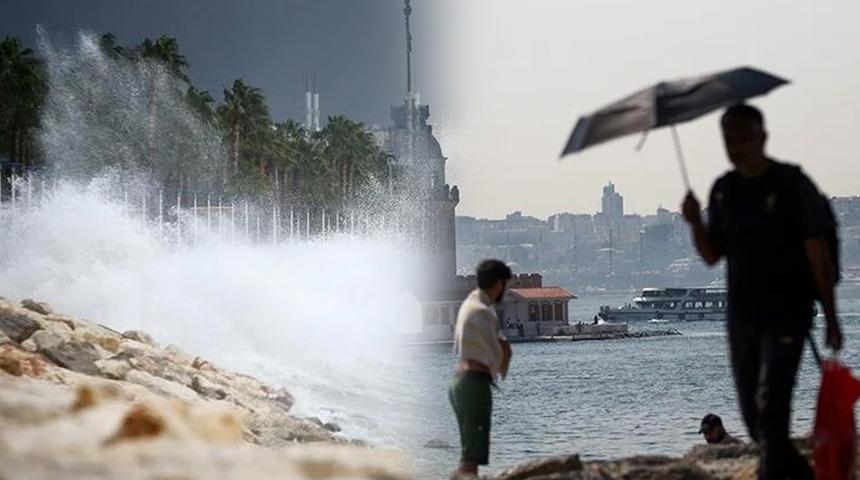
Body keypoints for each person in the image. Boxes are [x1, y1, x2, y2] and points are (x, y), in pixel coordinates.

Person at [681, 103, 843, 479]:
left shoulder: (790, 183)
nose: (737, 147)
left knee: (772, 413)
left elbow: (817, 251)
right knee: (757, 422)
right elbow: (711, 255)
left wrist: (832, 316)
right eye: (729, 140)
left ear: (762, 137)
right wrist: (694, 223)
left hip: (788, 313)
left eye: (744, 138)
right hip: (743, 318)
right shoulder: (725, 191)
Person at [449, 259, 513, 479]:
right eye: (505, 284)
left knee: (468, 451)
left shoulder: (470, 303)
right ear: (498, 284)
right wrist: (504, 358)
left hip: (461, 382)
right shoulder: (483, 311)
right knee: (472, 458)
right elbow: (498, 352)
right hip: (474, 384)